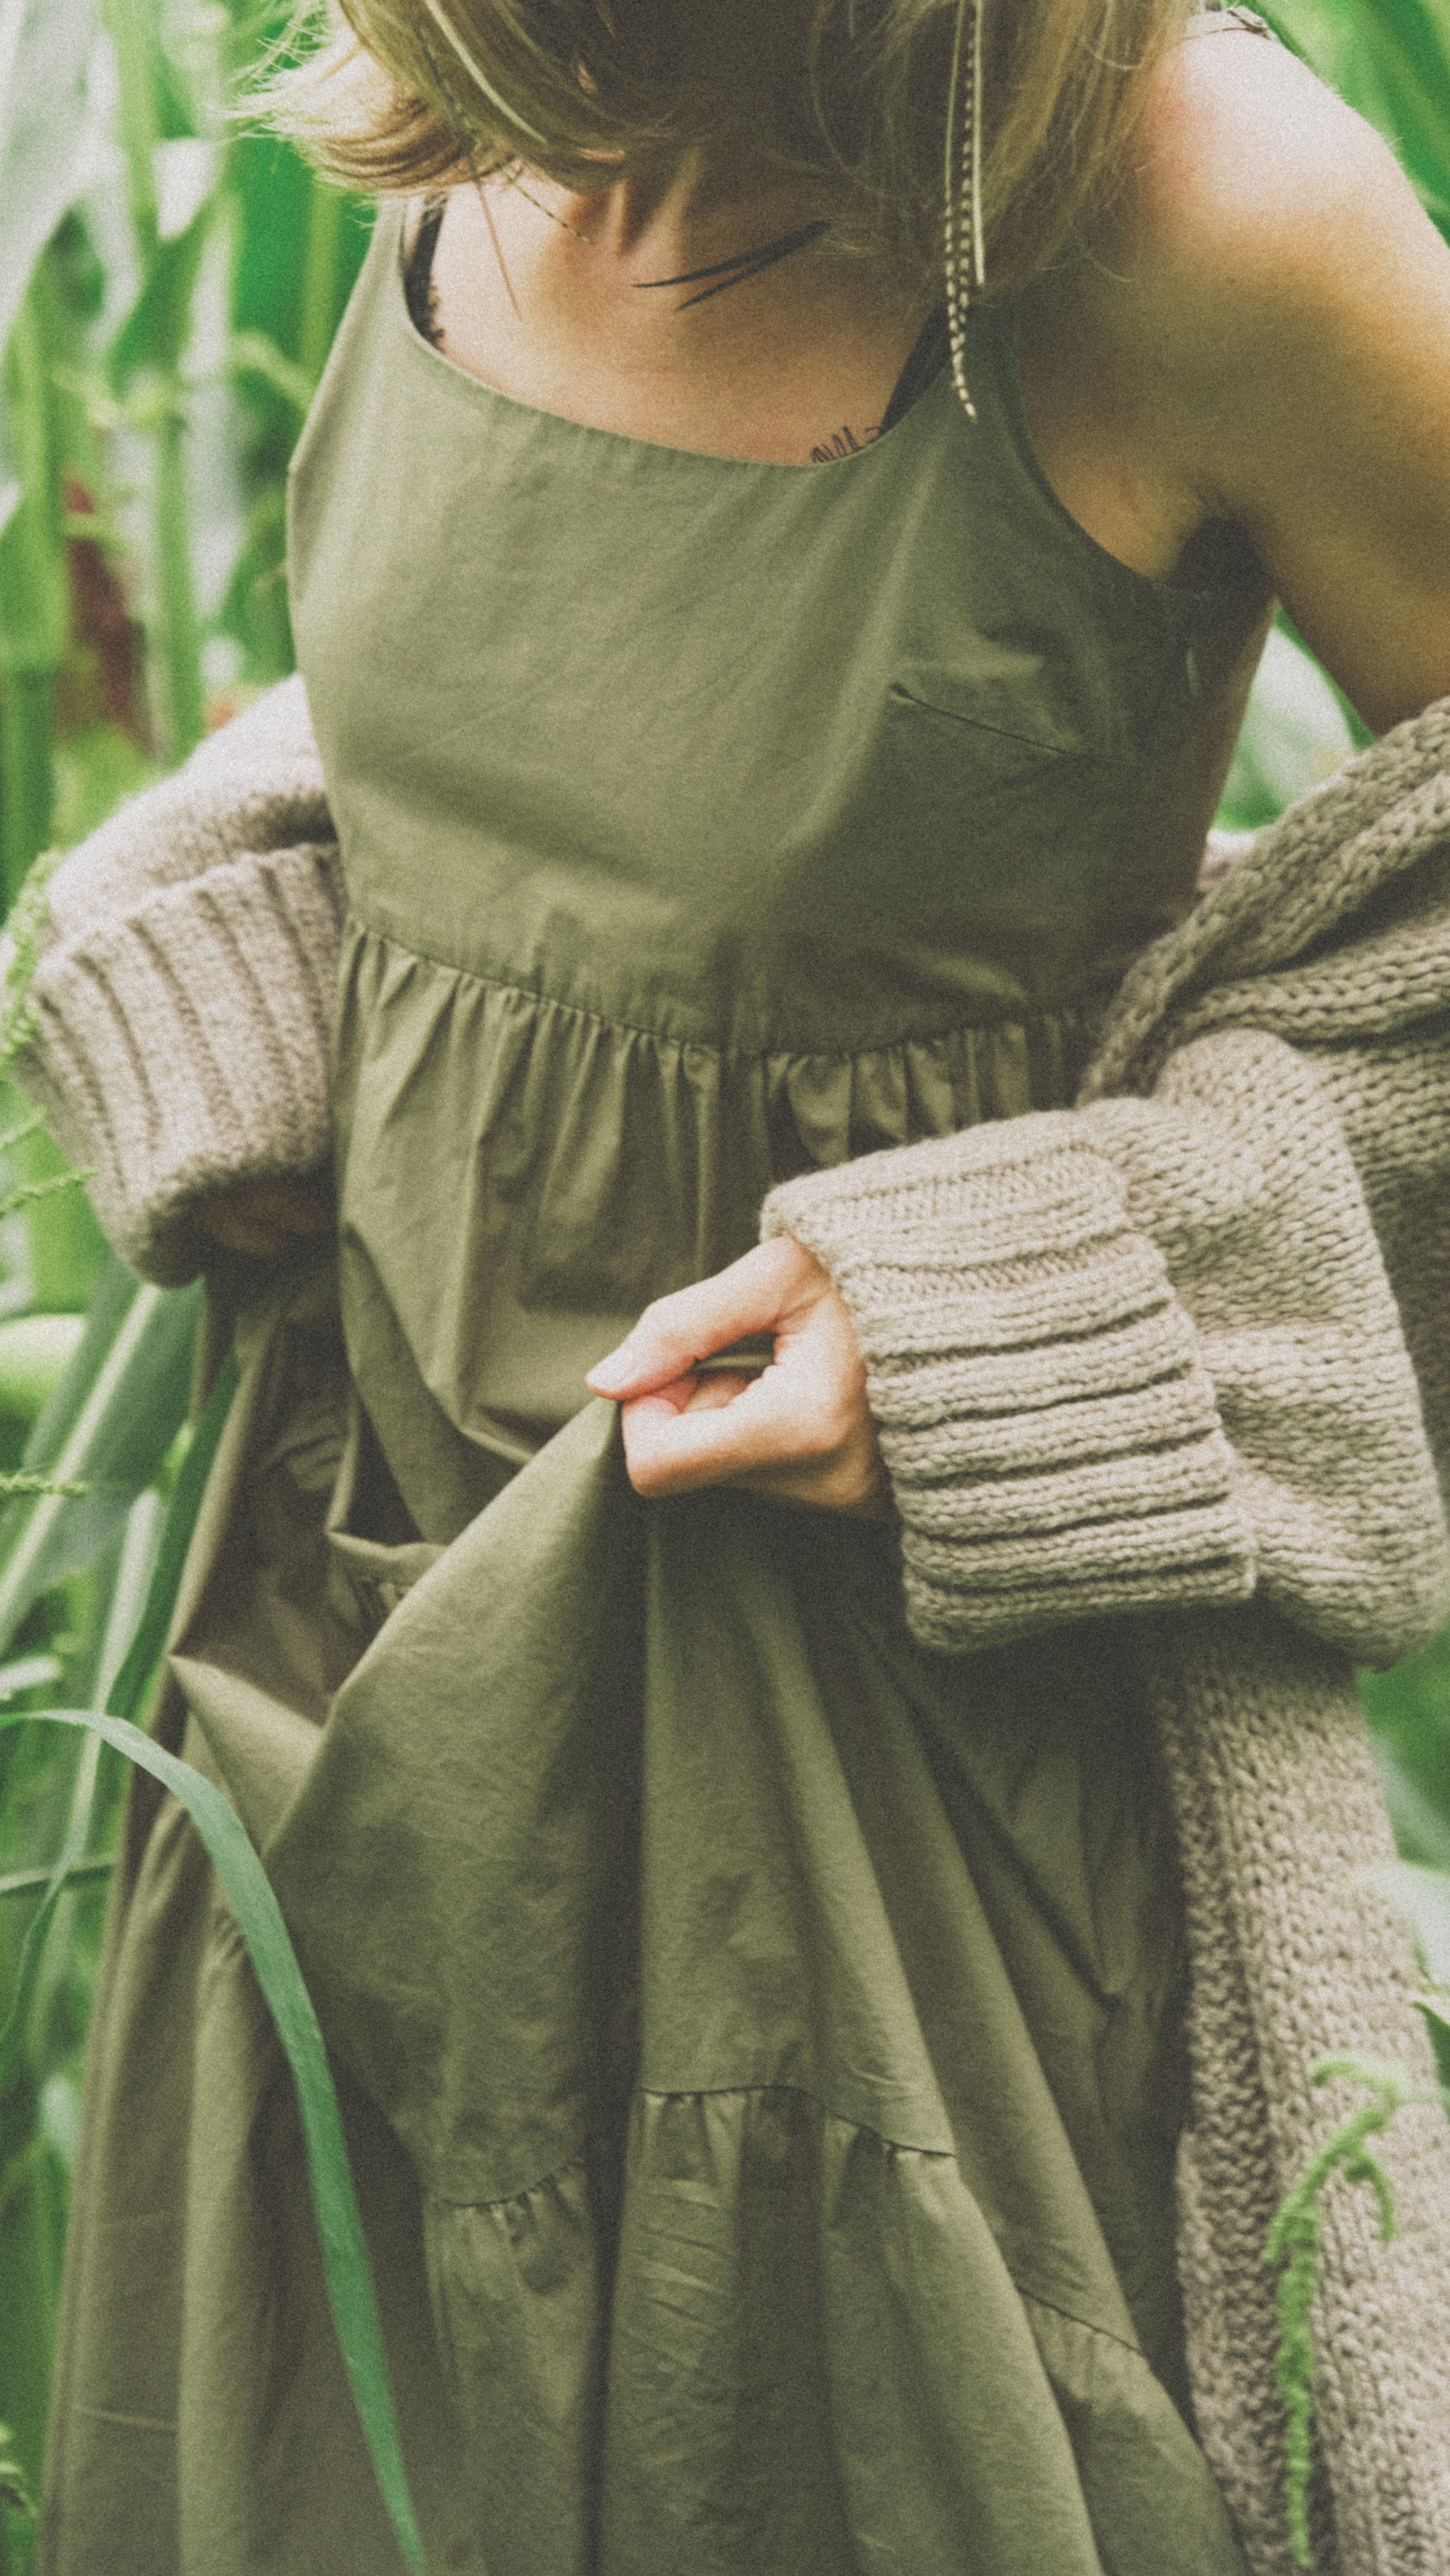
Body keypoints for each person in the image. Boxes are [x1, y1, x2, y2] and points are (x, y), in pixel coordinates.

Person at [16, 1, 1450, 2570]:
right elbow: (530, 724)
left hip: (897, 1842)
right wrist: (231, 936)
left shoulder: (1184, 208)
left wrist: (1030, 1306)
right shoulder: (476, 106)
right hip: (345, 1679)